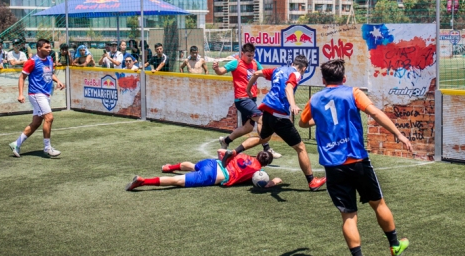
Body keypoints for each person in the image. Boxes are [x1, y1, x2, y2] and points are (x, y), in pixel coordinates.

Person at [298, 59, 412, 256]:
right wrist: (398, 134)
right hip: (357, 160)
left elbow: (303, 124)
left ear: (323, 80)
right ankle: (395, 244)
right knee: (378, 203)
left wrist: (320, 121)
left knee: (348, 217)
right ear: (344, 78)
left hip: (333, 166)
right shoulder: (353, 92)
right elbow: (375, 113)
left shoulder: (314, 99)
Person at [223, 55, 326, 192]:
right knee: (300, 147)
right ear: (304, 68)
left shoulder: (278, 70)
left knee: (263, 138)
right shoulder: (296, 73)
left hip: (267, 112)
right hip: (279, 115)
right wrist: (293, 105)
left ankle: (234, 151)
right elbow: (289, 88)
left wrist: (248, 90)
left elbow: (257, 73)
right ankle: (312, 181)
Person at [212, 42, 280, 159]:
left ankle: (226, 141)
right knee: (261, 119)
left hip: (251, 99)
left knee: (247, 128)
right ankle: (267, 148)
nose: (251, 58)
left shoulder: (254, 63)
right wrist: (217, 68)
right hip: (242, 99)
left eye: (253, 55)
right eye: (248, 55)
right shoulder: (235, 63)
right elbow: (221, 71)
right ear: (242, 54)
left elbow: (264, 73)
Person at [9, 39, 65, 158]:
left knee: (36, 123)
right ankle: (47, 148)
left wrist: (58, 81)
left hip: (46, 94)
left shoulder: (49, 59)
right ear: (39, 48)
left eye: (50, 47)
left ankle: (16, 144)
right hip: (36, 94)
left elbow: (50, 73)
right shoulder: (32, 61)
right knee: (49, 117)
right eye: (46, 47)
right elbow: (21, 78)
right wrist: (20, 94)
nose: (49, 49)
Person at [126, 150, 280, 191]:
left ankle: (170, 167)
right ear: (264, 166)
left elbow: (223, 153)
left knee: (194, 166)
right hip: (213, 175)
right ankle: (143, 181)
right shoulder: (257, 171)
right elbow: (262, 184)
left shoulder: (244, 155)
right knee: (178, 181)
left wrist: (224, 160)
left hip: (213, 163)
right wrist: (275, 181)